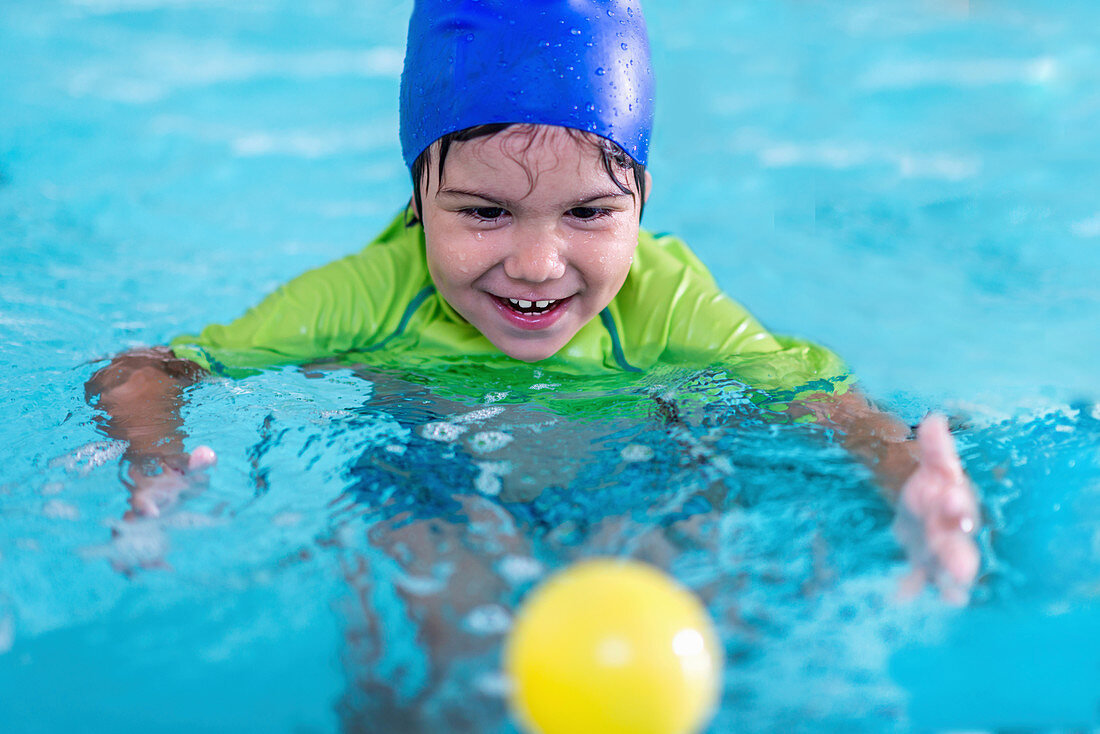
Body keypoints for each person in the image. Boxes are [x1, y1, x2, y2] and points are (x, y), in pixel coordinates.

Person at [85, 0, 978, 602]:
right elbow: (146, 370)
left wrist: (908, 482)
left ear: (642, 208)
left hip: (628, 465)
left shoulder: (664, 300)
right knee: (435, 625)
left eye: (589, 213)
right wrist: (157, 467)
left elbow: (820, 397)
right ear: (415, 203)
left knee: (688, 592)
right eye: (483, 213)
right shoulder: (371, 293)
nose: (539, 264)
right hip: (423, 468)